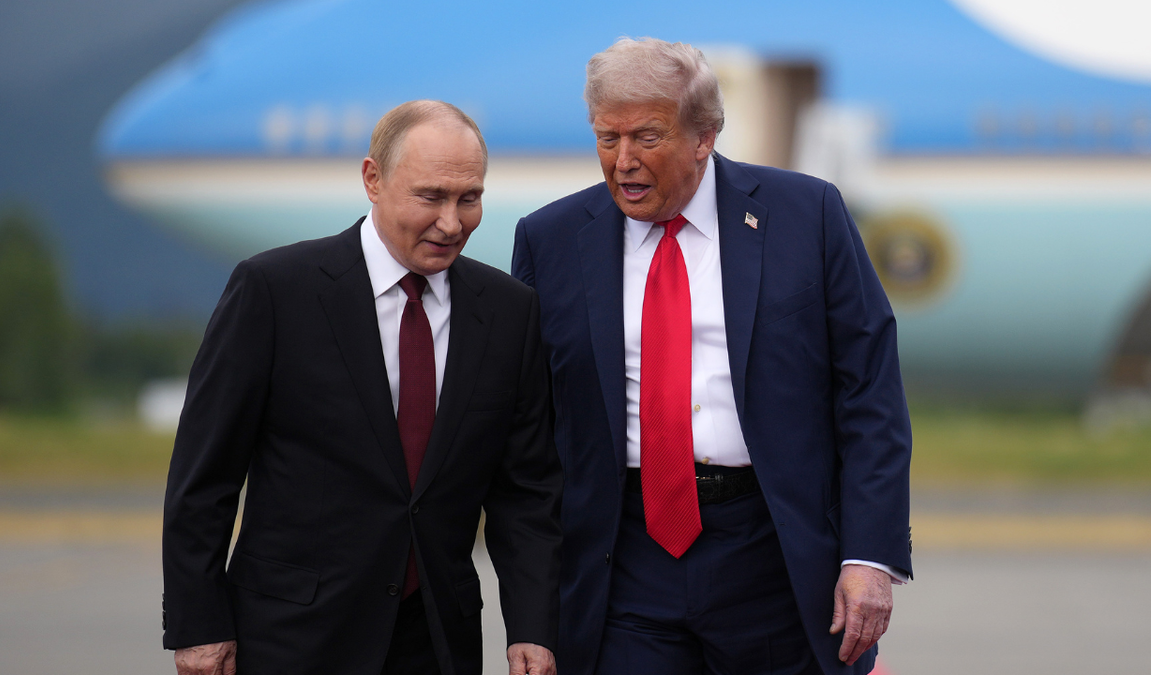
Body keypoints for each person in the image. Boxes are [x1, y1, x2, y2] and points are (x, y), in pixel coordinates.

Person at [511, 38, 911, 675]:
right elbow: (528, 432)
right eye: (606, 138)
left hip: (771, 550)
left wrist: (869, 557)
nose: (622, 162)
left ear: (705, 136)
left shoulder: (807, 216)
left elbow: (870, 394)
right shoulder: (550, 240)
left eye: (646, 136)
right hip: (625, 558)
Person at [163, 100, 561, 675]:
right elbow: (204, 476)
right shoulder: (275, 292)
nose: (452, 223)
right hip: (291, 638)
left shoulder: (510, 312)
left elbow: (526, 494)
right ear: (373, 180)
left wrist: (532, 627)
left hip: (436, 640)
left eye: (468, 198)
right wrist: (199, 625)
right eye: (431, 197)